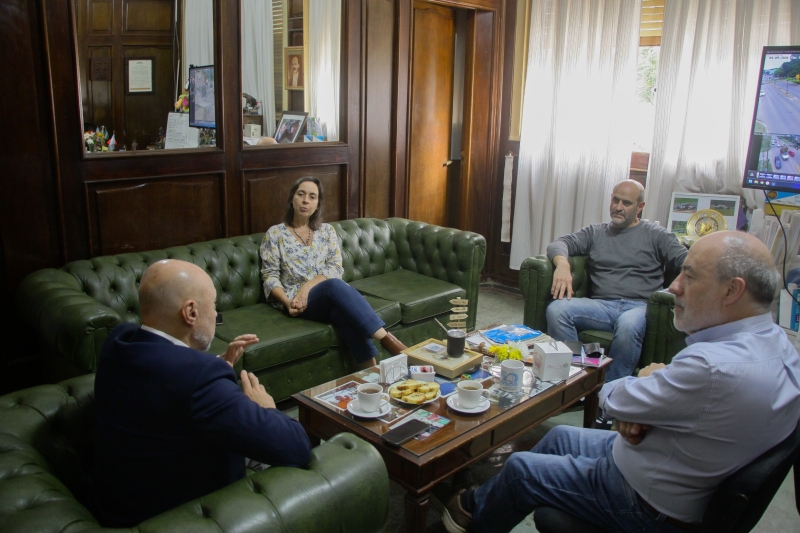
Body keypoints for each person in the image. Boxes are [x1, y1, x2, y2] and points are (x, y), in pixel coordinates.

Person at [438, 231, 800, 533]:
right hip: (672, 462)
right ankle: (483, 501)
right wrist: (640, 407)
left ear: (732, 291)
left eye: (689, 276)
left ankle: (469, 512)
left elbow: (610, 396)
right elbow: (668, 409)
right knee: (560, 436)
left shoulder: (713, 367)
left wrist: (644, 379)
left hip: (648, 503)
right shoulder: (780, 346)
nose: (674, 286)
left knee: (521, 471)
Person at [92, 259, 311, 527]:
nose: (216, 314)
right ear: (191, 312)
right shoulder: (199, 378)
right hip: (171, 517)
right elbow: (297, 447)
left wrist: (217, 366)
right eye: (214, 306)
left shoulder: (119, 340)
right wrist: (266, 407)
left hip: (118, 500)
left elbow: (167, 384)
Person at [546, 179, 687, 383]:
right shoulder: (596, 232)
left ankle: (610, 389)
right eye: (616, 200)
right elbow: (559, 243)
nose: (618, 207)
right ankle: (576, 379)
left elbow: (687, 261)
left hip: (640, 307)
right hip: (601, 306)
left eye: (626, 203)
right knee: (557, 310)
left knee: (628, 325)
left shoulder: (657, 235)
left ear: (640, 207)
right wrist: (562, 265)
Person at [260, 176, 407, 368]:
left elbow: (335, 267)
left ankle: (372, 373)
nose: (305, 201)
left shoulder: (326, 231)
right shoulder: (275, 234)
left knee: (342, 313)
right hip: (297, 302)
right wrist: (288, 303)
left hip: (325, 297)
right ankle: (389, 341)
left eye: (312, 197)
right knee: (334, 286)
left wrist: (307, 286)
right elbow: (270, 276)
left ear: (317, 204)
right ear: (291, 199)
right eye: (301, 194)